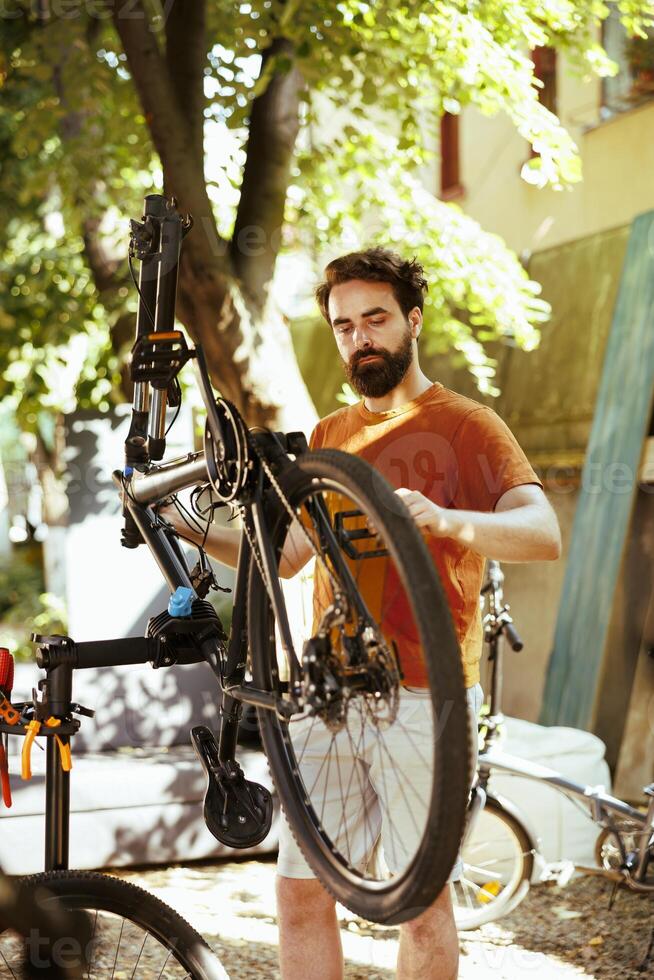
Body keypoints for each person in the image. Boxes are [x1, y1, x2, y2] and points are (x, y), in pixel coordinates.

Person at [163, 247, 561, 980]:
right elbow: (286, 558)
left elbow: (544, 535)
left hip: (422, 695)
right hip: (328, 692)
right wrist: (180, 523)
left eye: (374, 319)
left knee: (421, 902)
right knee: (300, 893)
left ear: (413, 320)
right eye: (343, 326)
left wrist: (446, 520)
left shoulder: (468, 426)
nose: (359, 339)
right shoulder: (329, 437)